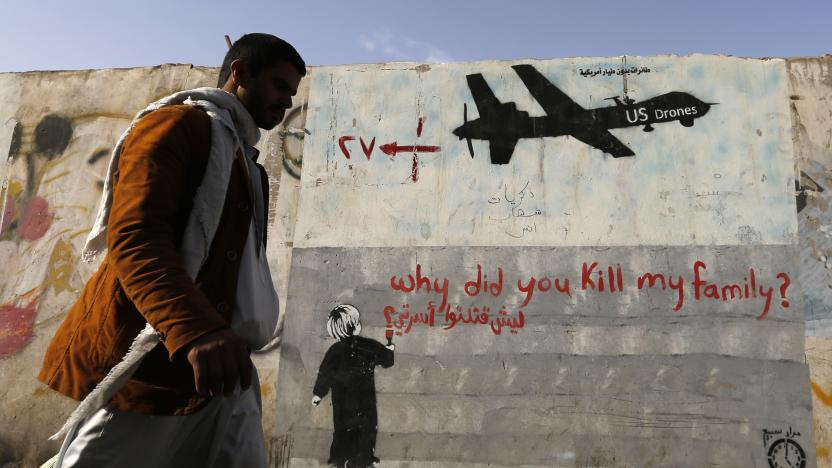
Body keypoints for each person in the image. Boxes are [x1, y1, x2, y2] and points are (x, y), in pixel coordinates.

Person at [37, 33, 305, 468]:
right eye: (279, 86)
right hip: (151, 365)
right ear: (240, 73)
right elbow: (136, 238)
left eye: (291, 94)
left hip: (222, 374)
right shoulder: (177, 126)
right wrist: (196, 329)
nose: (285, 102)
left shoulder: (243, 159)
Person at [312, 304, 395, 468]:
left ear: (335, 329)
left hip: (342, 404)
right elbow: (387, 360)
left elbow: (325, 374)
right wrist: (390, 348)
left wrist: (318, 394)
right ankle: (365, 460)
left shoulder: (334, 350)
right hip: (365, 403)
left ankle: (341, 460)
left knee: (342, 432)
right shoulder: (368, 346)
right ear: (357, 325)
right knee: (367, 430)